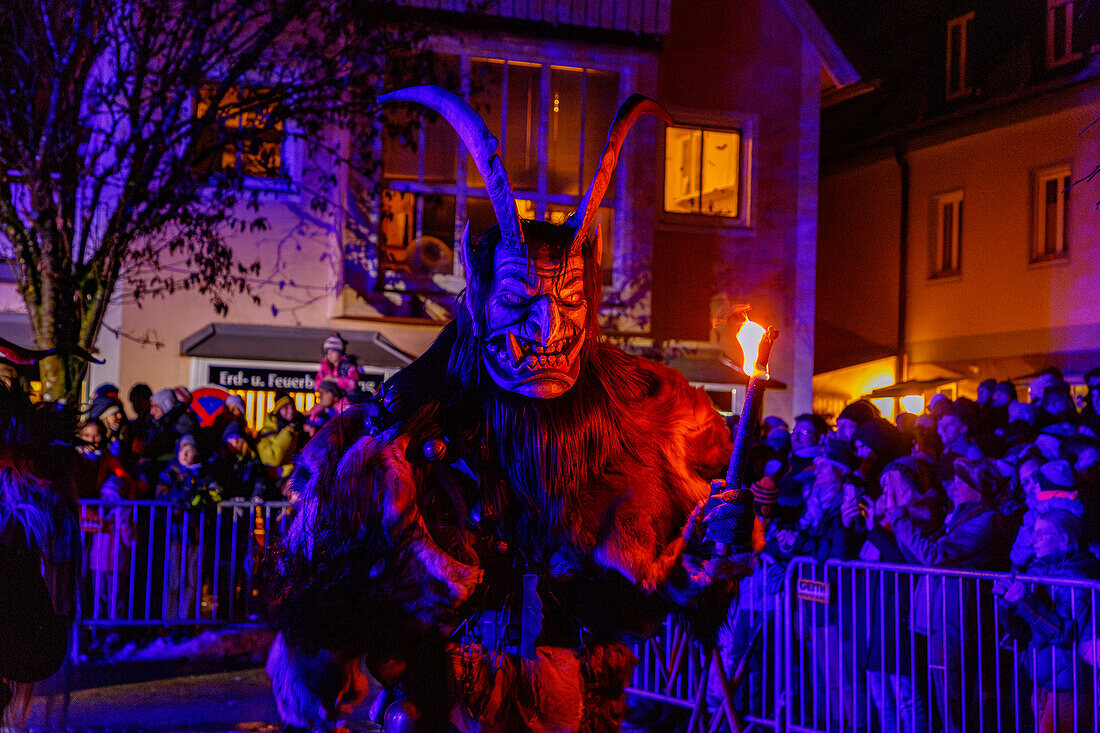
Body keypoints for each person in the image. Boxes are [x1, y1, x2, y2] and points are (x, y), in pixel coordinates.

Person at [265, 87, 754, 731]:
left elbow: (670, 585)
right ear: (480, 302)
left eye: (569, 302)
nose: (549, 330)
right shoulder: (391, 444)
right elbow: (327, 599)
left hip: (571, 697)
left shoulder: (644, 432)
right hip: (439, 698)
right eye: (521, 302)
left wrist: (712, 546)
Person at [994, 507, 1098, 732]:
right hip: (1043, 683)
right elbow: (1021, 632)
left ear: (1064, 539)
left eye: (1042, 534)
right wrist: (1007, 604)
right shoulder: (1038, 572)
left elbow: (1064, 635)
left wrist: (1025, 601)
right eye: (1034, 532)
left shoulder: (1078, 578)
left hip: (1070, 687)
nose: (1034, 539)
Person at [155, 435, 220, 620]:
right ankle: (171, 620)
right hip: (175, 534)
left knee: (193, 578)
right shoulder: (170, 472)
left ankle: (187, 619)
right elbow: (162, 495)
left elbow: (217, 494)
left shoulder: (204, 474)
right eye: (182, 447)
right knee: (174, 578)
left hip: (197, 534)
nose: (185, 452)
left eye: (190, 448)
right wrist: (186, 496)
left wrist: (203, 499)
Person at [256, 392, 303, 483]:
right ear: (278, 411)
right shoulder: (266, 431)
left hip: (294, 479)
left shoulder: (302, 427)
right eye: (285, 408)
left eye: (292, 407)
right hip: (270, 481)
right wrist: (288, 431)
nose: (291, 411)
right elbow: (273, 459)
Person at [316, 332, 360, 396]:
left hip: (346, 401)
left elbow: (352, 384)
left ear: (339, 352)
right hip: (331, 401)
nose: (330, 355)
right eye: (327, 353)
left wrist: (335, 380)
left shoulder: (347, 367)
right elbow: (316, 385)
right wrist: (324, 381)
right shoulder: (325, 368)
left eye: (333, 352)